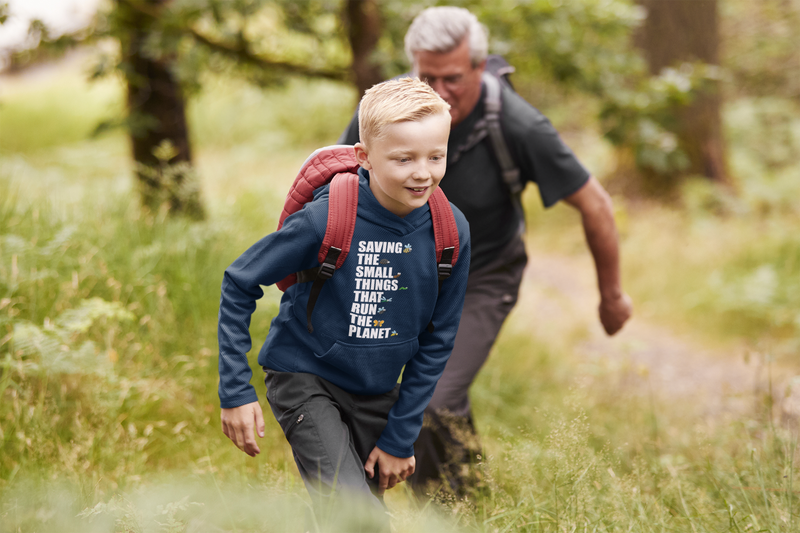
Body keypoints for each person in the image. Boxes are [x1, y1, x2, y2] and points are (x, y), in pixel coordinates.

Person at [338, 6, 633, 495]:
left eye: (451, 78)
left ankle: (444, 513)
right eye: (426, 75)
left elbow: (596, 204)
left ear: (480, 66)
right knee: (400, 391)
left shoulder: (517, 125)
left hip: (483, 275)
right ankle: (471, 497)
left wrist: (611, 295)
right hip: (405, 274)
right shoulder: (389, 110)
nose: (437, 91)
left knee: (428, 397)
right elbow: (339, 178)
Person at [217, 77, 471, 529]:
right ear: (364, 157)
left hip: (376, 389)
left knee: (347, 516)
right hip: (305, 376)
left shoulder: (451, 232)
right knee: (359, 519)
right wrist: (236, 391)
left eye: (436, 156)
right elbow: (240, 282)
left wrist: (399, 437)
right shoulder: (325, 219)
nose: (422, 172)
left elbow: (438, 341)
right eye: (403, 158)